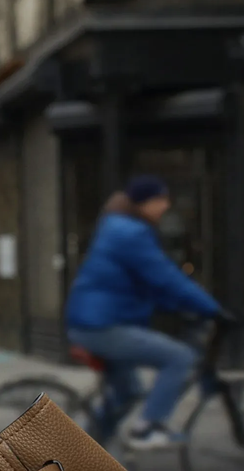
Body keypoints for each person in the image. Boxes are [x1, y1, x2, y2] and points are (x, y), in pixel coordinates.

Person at [66, 176, 226, 449]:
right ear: (145, 202)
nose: (166, 205)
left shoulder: (119, 227)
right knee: (180, 357)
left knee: (129, 392)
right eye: (160, 200)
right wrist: (212, 308)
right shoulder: (131, 233)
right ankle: (146, 428)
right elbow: (166, 277)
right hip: (103, 326)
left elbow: (150, 285)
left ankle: (80, 451)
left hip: (93, 321)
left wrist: (180, 306)